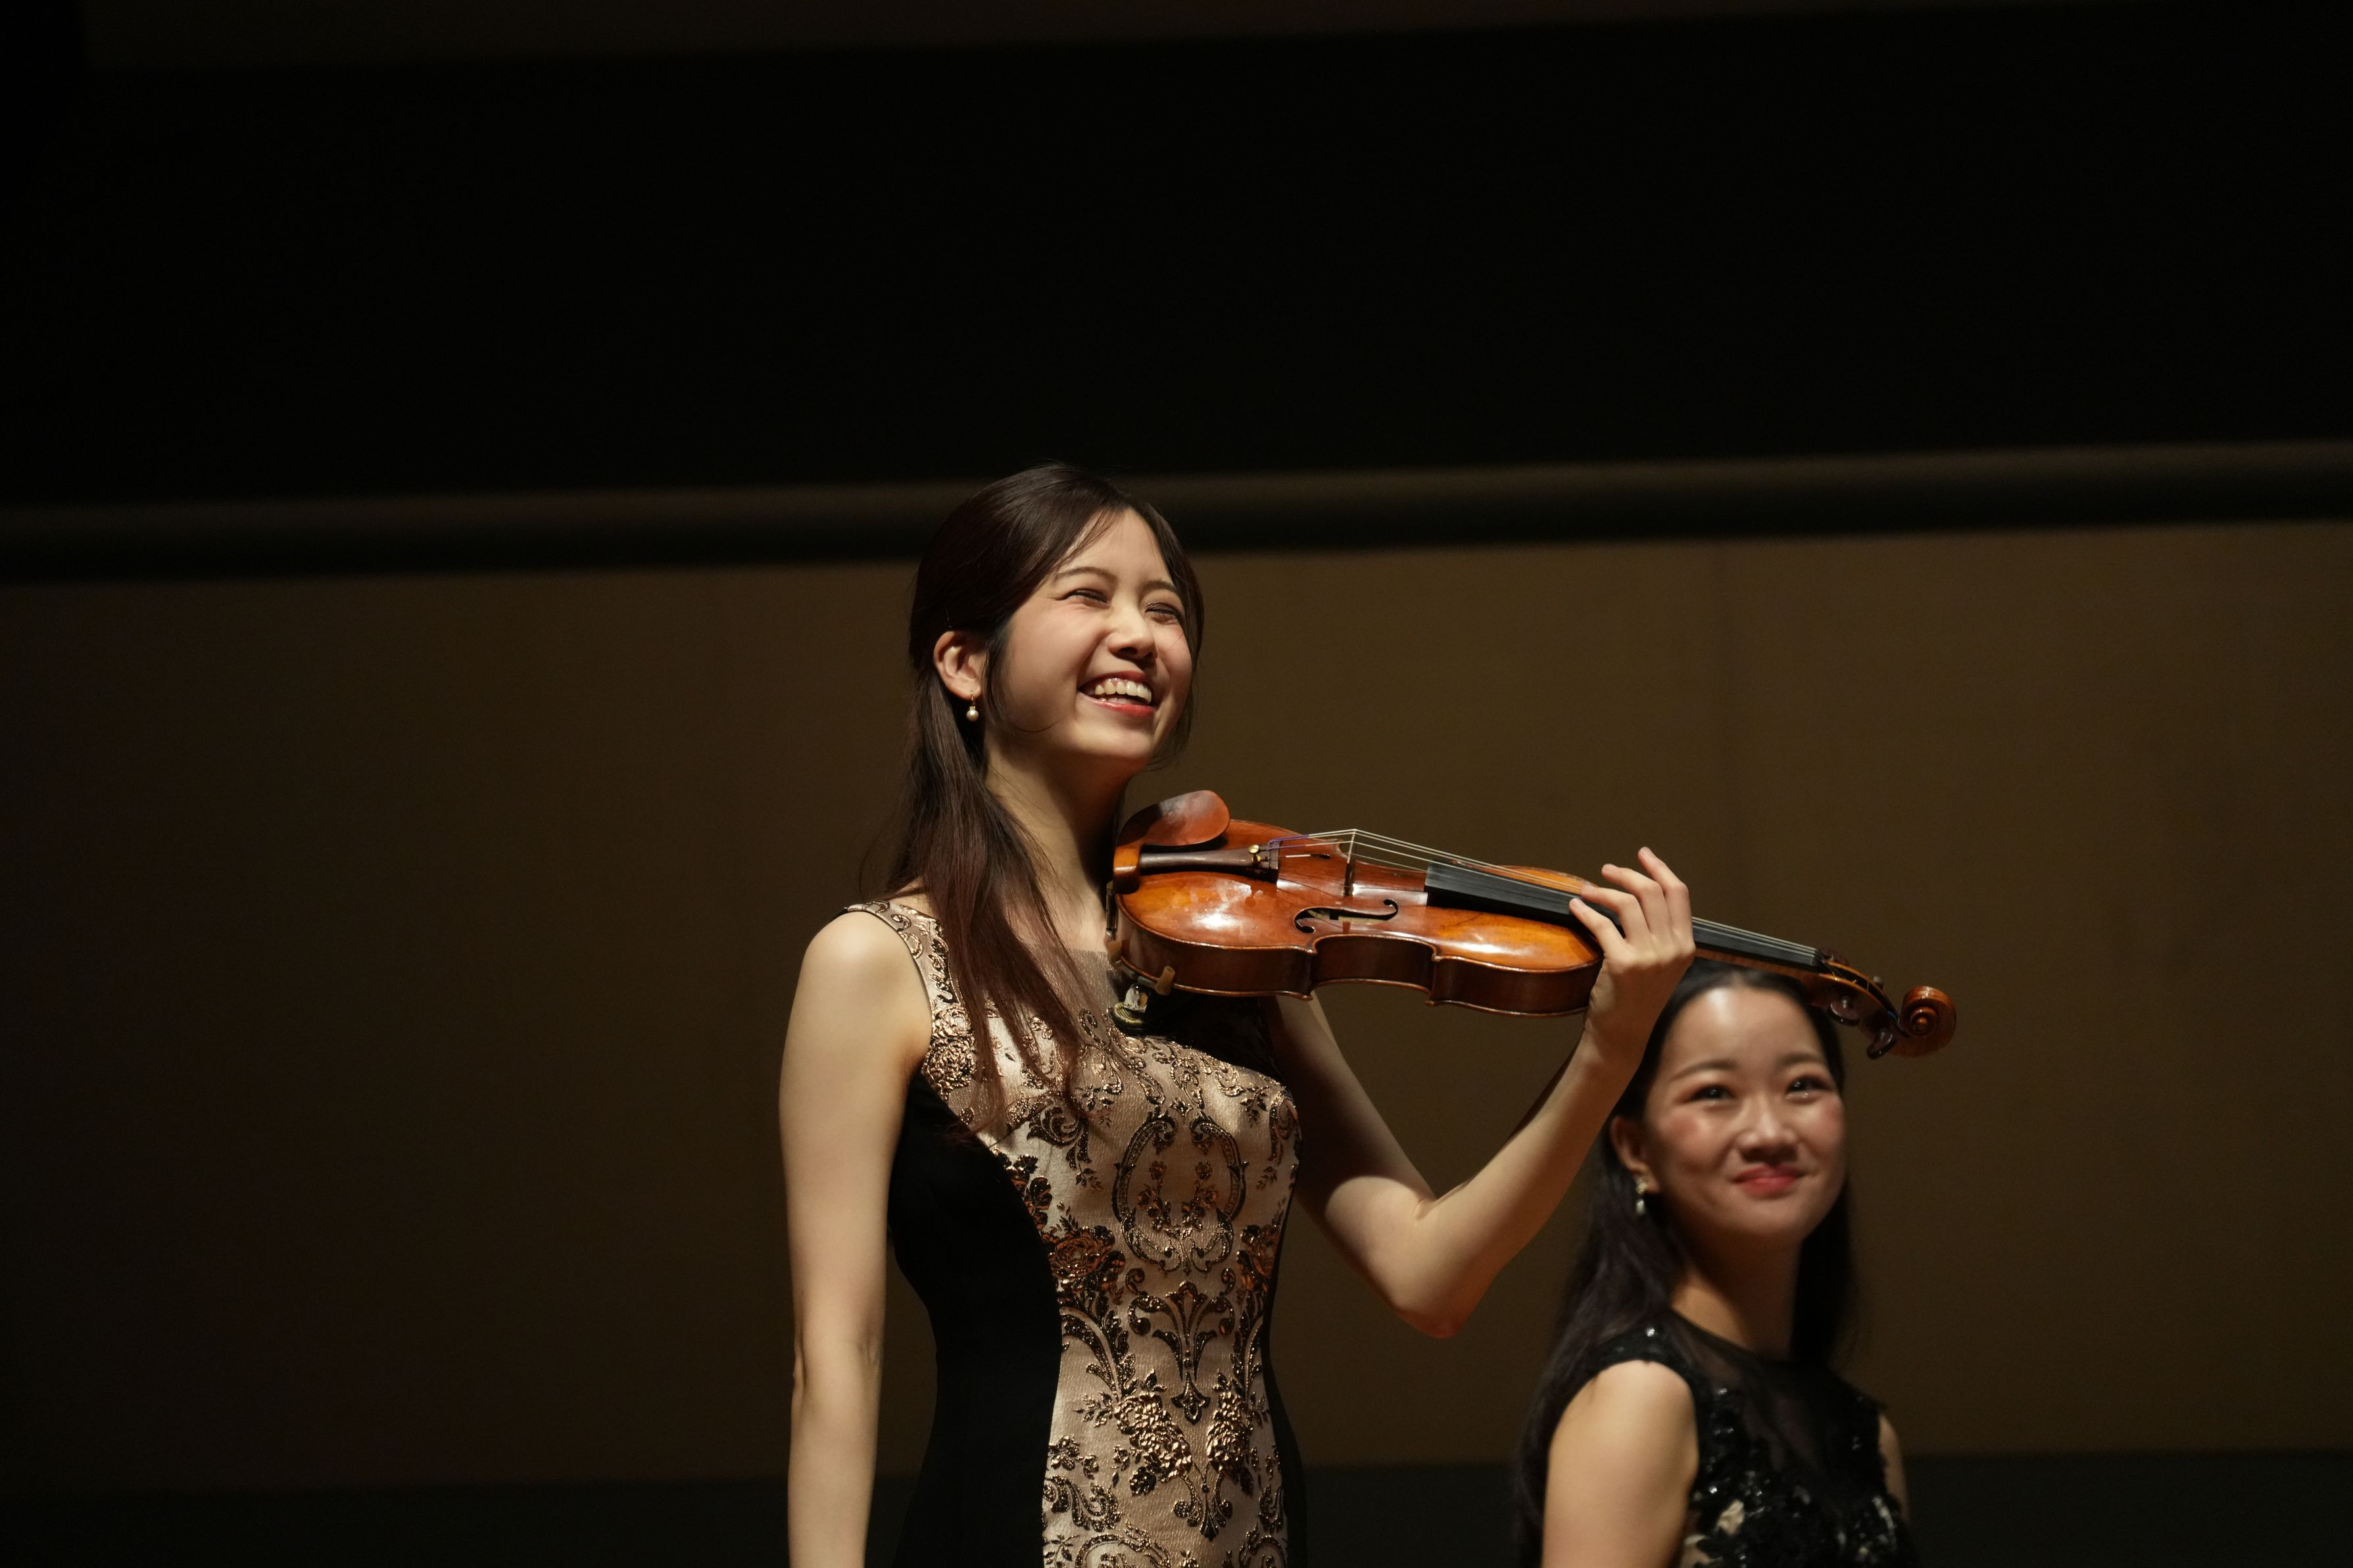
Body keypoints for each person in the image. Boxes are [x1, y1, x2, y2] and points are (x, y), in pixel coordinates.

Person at [781, 463, 1695, 1568]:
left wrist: (1606, 1050)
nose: (1138, 636)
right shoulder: (876, 961)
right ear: (964, 661)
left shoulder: (1235, 951)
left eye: (1164, 610)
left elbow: (1430, 1277)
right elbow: (838, 1353)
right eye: (1087, 595)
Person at [1511, 962, 1917, 1567]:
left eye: (1802, 1085)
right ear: (1635, 1148)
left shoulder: (1867, 1436)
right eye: (1714, 1093)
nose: (1769, 1131)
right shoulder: (1639, 1398)